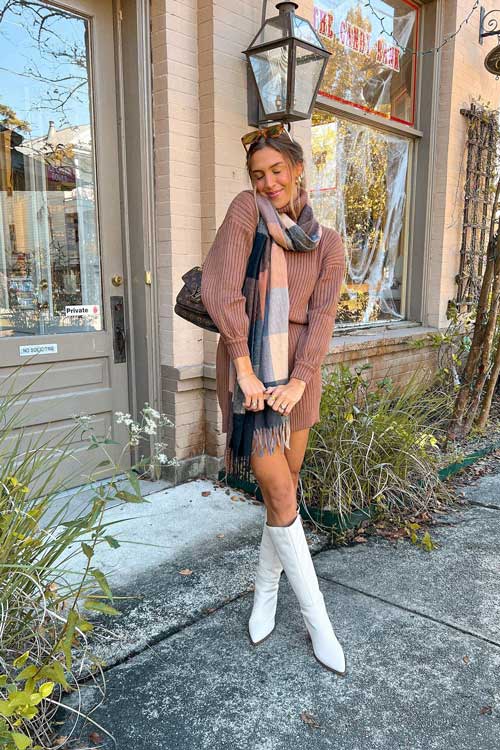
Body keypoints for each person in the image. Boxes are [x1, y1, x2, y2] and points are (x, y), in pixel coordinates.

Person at [200, 123, 347, 676]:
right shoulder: (245, 212)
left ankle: (265, 590)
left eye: (276, 171)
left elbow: (323, 320)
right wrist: (245, 369)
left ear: (297, 170)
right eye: (258, 174)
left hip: (297, 379)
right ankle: (318, 624)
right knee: (281, 493)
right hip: (251, 368)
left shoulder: (328, 243)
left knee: (282, 494)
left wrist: (299, 382)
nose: (267, 183)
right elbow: (219, 288)